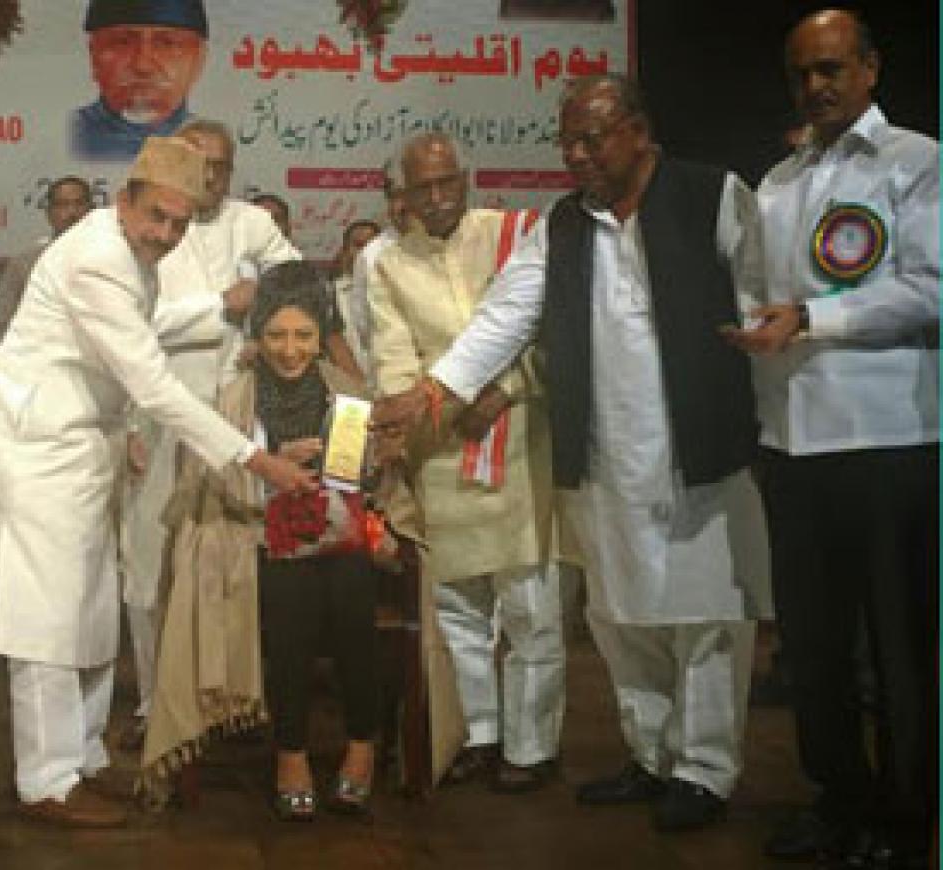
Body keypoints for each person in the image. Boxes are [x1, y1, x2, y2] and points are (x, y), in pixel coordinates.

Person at [389, 77, 771, 830]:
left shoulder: (713, 195)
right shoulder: (562, 227)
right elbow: (504, 316)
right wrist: (432, 391)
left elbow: (764, 295)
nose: (575, 154)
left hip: (698, 449)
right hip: (602, 458)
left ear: (639, 131)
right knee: (621, 617)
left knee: (704, 618)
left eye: (592, 138)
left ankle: (705, 769)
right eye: (568, 140)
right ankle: (651, 756)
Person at [0, 136, 314, 829]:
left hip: (86, 438)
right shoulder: (97, 258)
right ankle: (45, 779)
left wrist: (219, 307)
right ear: (125, 198)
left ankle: (83, 760)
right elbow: (154, 383)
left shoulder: (130, 252)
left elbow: (146, 323)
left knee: (93, 602)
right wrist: (257, 462)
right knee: (47, 611)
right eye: (156, 216)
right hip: (41, 441)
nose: (164, 234)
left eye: (178, 223)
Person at [724, 10, 938, 866]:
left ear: (871, 68)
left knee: (898, 649)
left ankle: (904, 817)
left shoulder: (916, 162)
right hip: (791, 444)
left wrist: (815, 317)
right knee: (811, 646)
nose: (816, 86)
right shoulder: (774, 181)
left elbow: (931, 288)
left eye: (832, 69)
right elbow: (758, 290)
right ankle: (837, 799)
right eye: (802, 73)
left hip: (887, 442)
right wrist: (751, 332)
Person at [143, 261, 414, 819]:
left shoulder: (350, 394)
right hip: (256, 541)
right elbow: (201, 484)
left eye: (304, 336)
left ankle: (361, 746)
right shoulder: (232, 399)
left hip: (346, 540)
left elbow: (376, 490)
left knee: (350, 594)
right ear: (257, 335)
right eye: (276, 335)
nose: (290, 350)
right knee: (291, 606)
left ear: (322, 336)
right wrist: (266, 470)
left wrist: (377, 458)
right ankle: (290, 752)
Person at [368, 132, 566, 794]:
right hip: (441, 454)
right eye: (423, 187)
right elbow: (396, 363)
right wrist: (444, 410)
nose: (438, 197)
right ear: (405, 194)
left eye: (448, 182)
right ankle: (477, 735)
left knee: (529, 605)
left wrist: (506, 390)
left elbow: (550, 332)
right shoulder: (389, 266)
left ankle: (533, 748)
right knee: (458, 611)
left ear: (466, 177)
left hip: (518, 441)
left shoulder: (517, 234)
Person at [116, 119, 305, 753]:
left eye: (221, 166)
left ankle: (228, 696)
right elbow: (137, 324)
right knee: (150, 562)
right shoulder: (148, 226)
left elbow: (299, 290)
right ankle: (154, 702)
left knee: (233, 562)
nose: (211, 177)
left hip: (243, 422)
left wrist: (267, 328)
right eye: (199, 163)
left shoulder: (251, 222)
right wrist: (220, 307)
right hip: (159, 417)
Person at [70, 0, 208, 160]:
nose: (143, 65)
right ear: (93, 56)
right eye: (122, 42)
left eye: (167, 43)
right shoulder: (71, 132)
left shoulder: (211, 143)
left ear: (199, 60)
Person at [0, 176, 93, 343]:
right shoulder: (25, 263)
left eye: (79, 204)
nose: (72, 212)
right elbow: (4, 321)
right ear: (49, 213)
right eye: (62, 205)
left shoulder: (114, 258)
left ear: (92, 210)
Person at [349, 159, 411, 385]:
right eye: (395, 196)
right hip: (394, 384)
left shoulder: (463, 243)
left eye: (410, 194)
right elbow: (365, 329)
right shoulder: (372, 256)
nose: (402, 206)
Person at [329, 218, 380, 377]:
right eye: (359, 245)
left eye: (371, 246)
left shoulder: (396, 292)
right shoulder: (330, 294)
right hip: (347, 390)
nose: (366, 252)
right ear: (345, 251)